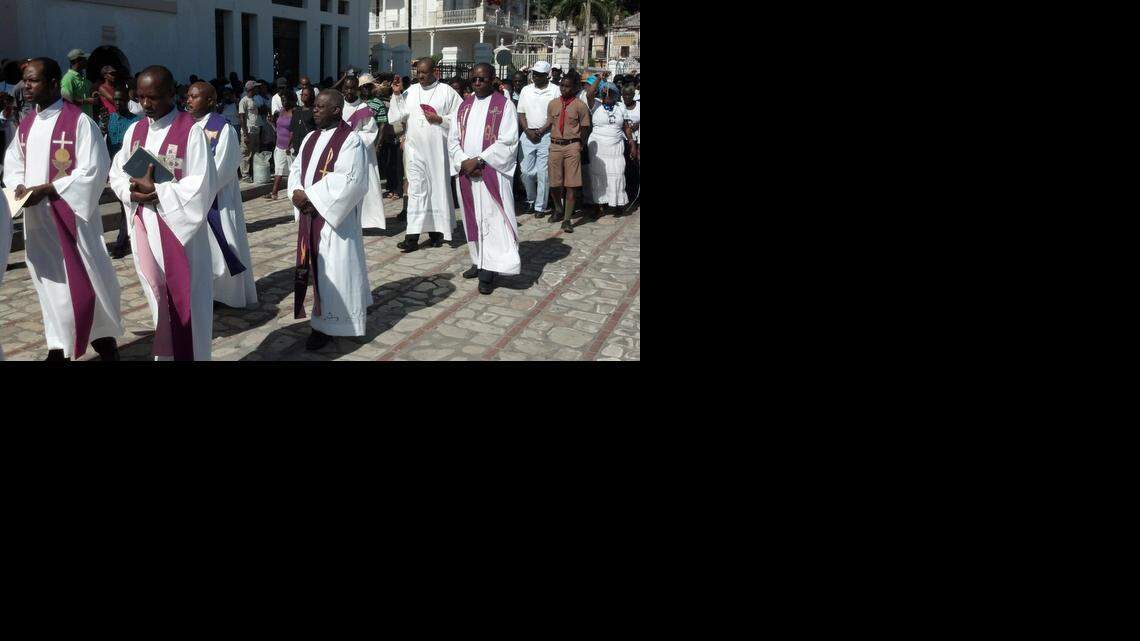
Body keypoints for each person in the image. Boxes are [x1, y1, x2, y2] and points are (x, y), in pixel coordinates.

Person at [3, 57, 123, 361]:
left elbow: (95, 170)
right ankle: (58, 344)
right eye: (25, 80)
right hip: (38, 221)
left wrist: (50, 189)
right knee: (50, 283)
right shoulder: (28, 123)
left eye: (33, 81)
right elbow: (14, 163)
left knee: (88, 278)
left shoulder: (79, 122)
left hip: (73, 220)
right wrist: (19, 186)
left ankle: (103, 340)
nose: (26, 86)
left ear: (54, 83)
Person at [108, 65, 219, 360]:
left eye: (153, 98)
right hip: (144, 224)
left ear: (173, 93)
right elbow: (117, 171)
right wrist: (130, 192)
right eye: (141, 97)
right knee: (157, 294)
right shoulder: (136, 129)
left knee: (186, 299)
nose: (145, 104)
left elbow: (201, 185)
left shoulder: (190, 132)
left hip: (179, 231)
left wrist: (159, 193)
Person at [287, 89, 371, 351]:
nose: (315, 109)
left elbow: (350, 181)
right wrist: (296, 194)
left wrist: (310, 197)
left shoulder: (351, 141)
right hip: (310, 215)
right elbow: (295, 170)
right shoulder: (310, 138)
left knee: (335, 270)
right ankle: (322, 320)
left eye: (321, 107)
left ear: (336, 110)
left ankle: (330, 326)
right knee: (318, 270)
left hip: (335, 223)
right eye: (315, 105)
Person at [448, 63, 521, 296]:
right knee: (473, 218)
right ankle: (478, 259)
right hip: (468, 172)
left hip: (492, 172)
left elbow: (508, 141)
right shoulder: (464, 106)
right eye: (474, 79)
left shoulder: (504, 105)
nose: (477, 83)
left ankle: (490, 269)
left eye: (482, 79)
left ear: (493, 80)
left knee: (492, 219)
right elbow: (453, 140)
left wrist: (479, 161)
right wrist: (463, 161)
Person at [187, 82, 258, 309]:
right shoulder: (185, 126)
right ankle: (204, 291)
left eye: (194, 97)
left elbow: (222, 168)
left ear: (210, 101)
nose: (188, 100)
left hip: (217, 200)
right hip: (190, 199)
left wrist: (191, 188)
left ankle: (228, 295)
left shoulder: (223, 128)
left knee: (224, 243)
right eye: (188, 96)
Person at [387, 58, 462, 252]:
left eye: (424, 72)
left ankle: (437, 232)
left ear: (435, 72)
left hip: (437, 150)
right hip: (414, 150)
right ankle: (412, 236)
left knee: (437, 189)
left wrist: (440, 119)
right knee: (416, 191)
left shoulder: (447, 92)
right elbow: (396, 116)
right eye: (417, 72)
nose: (420, 76)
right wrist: (396, 94)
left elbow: (462, 117)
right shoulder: (411, 91)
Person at [545, 74, 590, 233]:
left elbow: (585, 128)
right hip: (555, 145)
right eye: (562, 85)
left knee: (571, 185)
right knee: (554, 184)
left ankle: (567, 219)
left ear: (576, 87)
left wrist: (580, 145)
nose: (564, 88)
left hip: (572, 146)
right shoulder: (553, 104)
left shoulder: (580, 106)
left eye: (568, 86)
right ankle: (558, 208)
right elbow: (550, 123)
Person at [340, 74, 385, 230]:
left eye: (353, 88)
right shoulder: (337, 107)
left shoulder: (363, 108)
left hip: (360, 153)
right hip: (341, 155)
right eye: (347, 88)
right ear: (343, 89)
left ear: (357, 89)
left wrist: (353, 139)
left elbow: (371, 131)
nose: (349, 91)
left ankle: (365, 222)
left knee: (364, 187)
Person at [585, 82, 634, 219]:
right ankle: (598, 206)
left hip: (616, 146)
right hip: (598, 147)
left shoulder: (621, 107)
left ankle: (617, 204)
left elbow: (627, 127)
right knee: (598, 176)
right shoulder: (596, 105)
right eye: (605, 93)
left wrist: (632, 143)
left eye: (611, 93)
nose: (607, 96)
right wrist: (599, 79)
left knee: (617, 173)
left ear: (616, 95)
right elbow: (589, 94)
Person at [517, 60, 559, 218]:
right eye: (534, 74)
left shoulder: (555, 90)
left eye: (539, 75)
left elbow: (554, 115)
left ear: (547, 76)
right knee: (526, 172)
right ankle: (531, 199)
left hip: (547, 135)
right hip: (528, 135)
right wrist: (527, 130)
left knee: (543, 173)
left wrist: (542, 130)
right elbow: (521, 113)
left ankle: (540, 207)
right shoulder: (526, 90)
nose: (535, 77)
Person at [106, 87, 141, 258]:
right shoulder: (111, 119)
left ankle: (121, 243)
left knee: (124, 205)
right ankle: (125, 238)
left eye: (121, 100)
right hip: (114, 169)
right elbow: (107, 144)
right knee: (122, 205)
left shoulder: (135, 121)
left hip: (129, 169)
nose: (118, 103)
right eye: (115, 100)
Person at [373, 73, 403, 202]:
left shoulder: (395, 99)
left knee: (396, 165)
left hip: (396, 136)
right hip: (386, 137)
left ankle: (397, 189)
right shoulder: (379, 102)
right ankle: (391, 188)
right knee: (388, 165)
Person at [270, 89, 296, 200]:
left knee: (293, 170)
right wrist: (271, 122)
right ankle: (274, 193)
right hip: (279, 145)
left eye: (285, 99)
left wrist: (289, 145)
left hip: (290, 147)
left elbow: (293, 130)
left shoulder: (294, 112)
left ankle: (294, 191)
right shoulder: (281, 111)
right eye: (282, 99)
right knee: (278, 169)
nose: (283, 102)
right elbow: (278, 128)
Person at [60, 49, 94, 118]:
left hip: (86, 119)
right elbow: (66, 101)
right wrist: (85, 101)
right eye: (84, 59)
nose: (86, 61)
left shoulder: (82, 78)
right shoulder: (68, 78)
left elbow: (91, 89)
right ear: (77, 61)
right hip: (75, 120)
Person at [621, 84, 640, 205]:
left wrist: (637, 125)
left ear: (633, 95)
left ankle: (636, 194)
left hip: (638, 141)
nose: (626, 97)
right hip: (624, 141)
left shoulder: (639, 105)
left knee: (636, 167)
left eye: (629, 95)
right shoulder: (620, 106)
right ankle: (628, 194)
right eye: (624, 95)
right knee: (626, 169)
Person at [237, 80, 258, 181]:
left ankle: (251, 173)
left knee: (253, 153)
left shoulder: (254, 100)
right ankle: (245, 175)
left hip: (255, 130)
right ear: (251, 89)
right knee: (245, 153)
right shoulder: (243, 101)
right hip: (248, 131)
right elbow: (241, 117)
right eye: (255, 88)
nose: (257, 89)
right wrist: (245, 134)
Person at [290, 85, 317, 158]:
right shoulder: (296, 111)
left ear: (311, 96)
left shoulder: (315, 111)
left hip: (309, 148)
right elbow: (292, 130)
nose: (303, 96)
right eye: (302, 94)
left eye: (306, 95)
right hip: (296, 149)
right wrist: (289, 145)